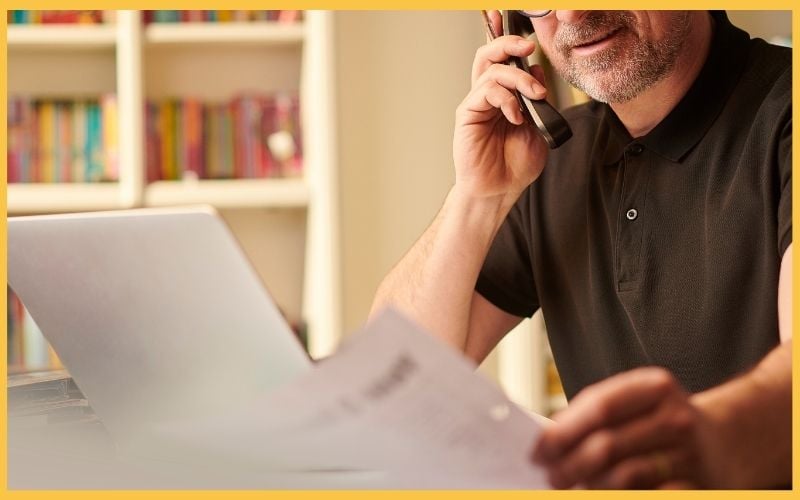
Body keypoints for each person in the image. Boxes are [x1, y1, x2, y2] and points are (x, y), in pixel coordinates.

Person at [370, 10, 791, 489]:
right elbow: (387, 379)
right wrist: (477, 198)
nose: (572, 12)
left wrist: (703, 443)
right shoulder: (547, 161)